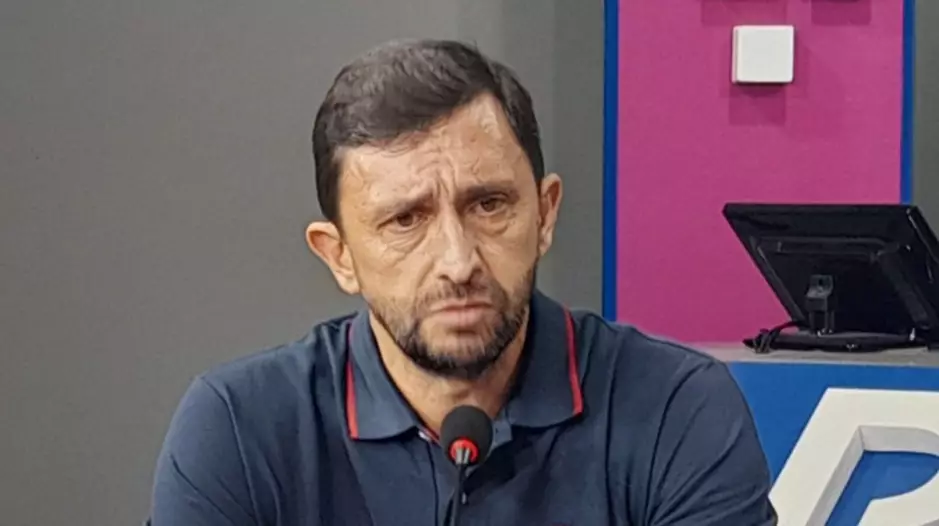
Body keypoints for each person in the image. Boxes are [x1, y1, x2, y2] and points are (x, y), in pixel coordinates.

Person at [149, 39, 777, 525]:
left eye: (489, 205)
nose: (458, 261)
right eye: (405, 220)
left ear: (545, 214)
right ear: (339, 256)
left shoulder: (675, 408)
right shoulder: (240, 428)